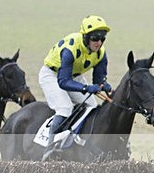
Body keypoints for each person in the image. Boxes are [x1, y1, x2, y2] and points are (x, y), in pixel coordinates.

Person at [39, 15, 112, 160]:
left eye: (102, 38)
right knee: (65, 108)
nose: (99, 43)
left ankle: (79, 139)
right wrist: (85, 88)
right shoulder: (70, 49)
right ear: (85, 37)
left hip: (73, 75)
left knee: (92, 106)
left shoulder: (101, 54)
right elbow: (63, 82)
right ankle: (50, 148)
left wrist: (103, 84)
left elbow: (98, 80)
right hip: (52, 75)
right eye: (95, 38)